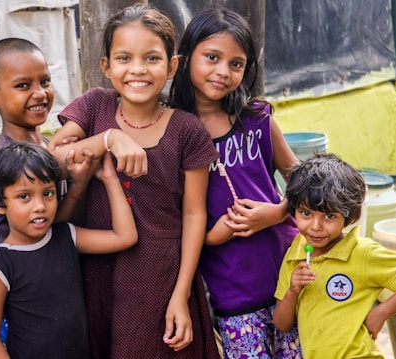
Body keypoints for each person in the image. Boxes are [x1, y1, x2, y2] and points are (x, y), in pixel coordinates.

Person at [46, 4, 220, 358]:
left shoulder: (187, 131)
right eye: (124, 58)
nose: (137, 69)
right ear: (106, 66)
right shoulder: (95, 107)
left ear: (172, 66)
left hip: (158, 277)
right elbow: (50, 161)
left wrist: (181, 295)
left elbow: (193, 216)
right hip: (95, 273)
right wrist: (108, 139)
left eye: (152, 58)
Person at [168, 8, 302, 359]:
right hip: (232, 291)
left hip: (288, 277)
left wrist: (277, 212)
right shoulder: (172, 131)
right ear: (185, 58)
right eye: (212, 57)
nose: (223, 72)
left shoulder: (257, 118)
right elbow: (171, 214)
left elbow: (303, 180)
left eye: (236, 64)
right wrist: (215, 235)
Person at [0, 38, 96, 358]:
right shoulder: (7, 159)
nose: (39, 93)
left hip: (34, 293)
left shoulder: (47, 147)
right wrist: (112, 138)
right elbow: (82, 154)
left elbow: (58, 226)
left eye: (45, 81)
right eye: (23, 85)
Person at [0, 143, 137, 358]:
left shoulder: (66, 236)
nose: (40, 206)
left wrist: (110, 179)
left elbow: (125, 237)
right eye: (24, 196)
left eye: (48, 193)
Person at [273, 153, 396, 358]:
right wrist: (293, 291)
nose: (315, 227)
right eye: (306, 213)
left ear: (348, 216)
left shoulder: (362, 252)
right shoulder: (295, 255)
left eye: (329, 216)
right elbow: (281, 324)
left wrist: (381, 312)